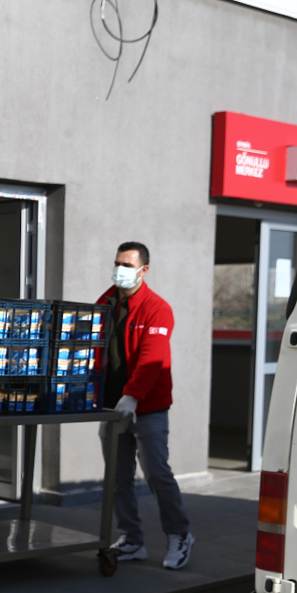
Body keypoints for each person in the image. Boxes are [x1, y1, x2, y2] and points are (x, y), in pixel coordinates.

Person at [97, 241, 193, 569]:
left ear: (143, 270)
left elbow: (152, 360)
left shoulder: (156, 308)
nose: (120, 270)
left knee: (156, 473)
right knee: (118, 477)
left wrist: (133, 396)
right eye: (117, 263)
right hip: (111, 408)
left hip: (146, 407)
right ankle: (132, 539)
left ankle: (179, 535)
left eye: (127, 265)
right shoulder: (104, 303)